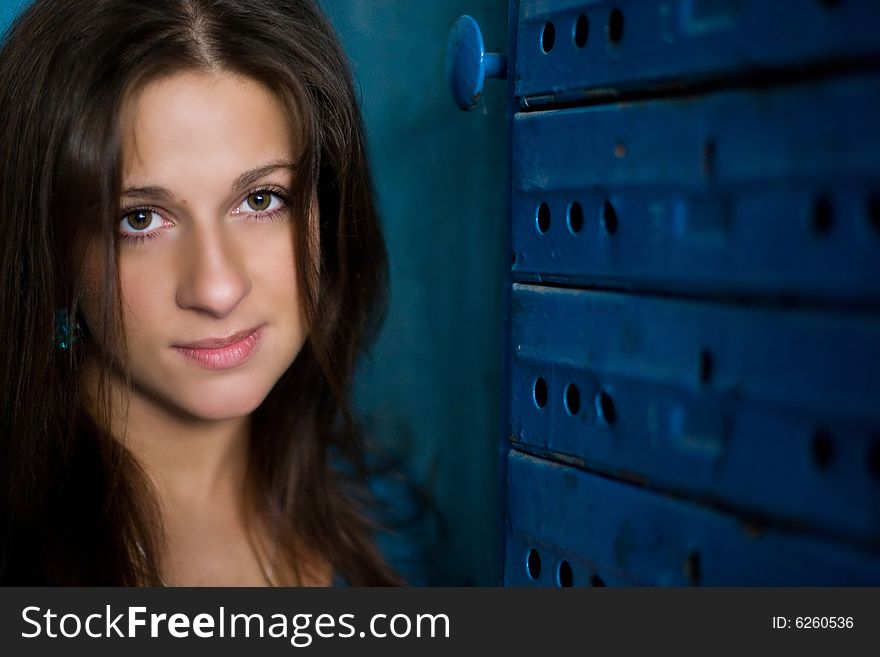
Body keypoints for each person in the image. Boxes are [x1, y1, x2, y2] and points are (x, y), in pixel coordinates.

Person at [0, 0, 403, 586]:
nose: (216, 289)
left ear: (328, 209)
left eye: (261, 200)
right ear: (52, 249)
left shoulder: (391, 522)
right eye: (139, 219)